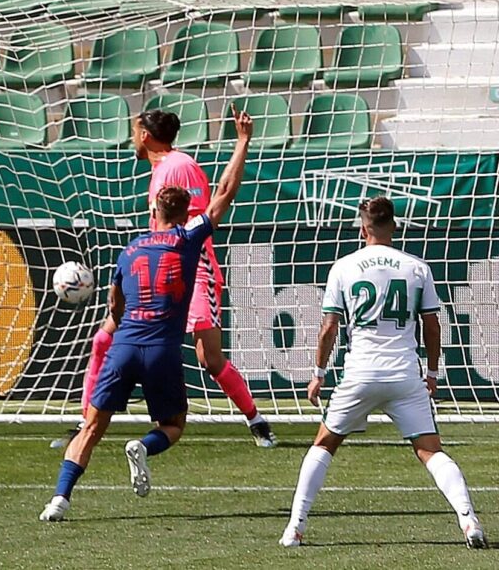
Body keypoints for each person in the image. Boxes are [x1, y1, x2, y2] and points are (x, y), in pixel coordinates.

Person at [39, 108, 252, 522]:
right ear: (183, 213)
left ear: (154, 209)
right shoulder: (188, 241)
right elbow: (225, 191)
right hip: (161, 350)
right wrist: (241, 141)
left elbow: (114, 306)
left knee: (92, 427)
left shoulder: (131, 250)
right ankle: (144, 446)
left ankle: (59, 500)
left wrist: (119, 326)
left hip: (124, 345)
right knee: (172, 424)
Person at [279, 196, 486, 549]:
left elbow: (329, 327)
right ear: (394, 225)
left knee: (324, 444)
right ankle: (469, 522)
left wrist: (318, 372)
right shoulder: (416, 267)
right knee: (431, 451)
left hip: (359, 373)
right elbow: (433, 325)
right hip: (404, 374)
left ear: (363, 229)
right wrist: (432, 373)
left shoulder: (343, 267)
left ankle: (294, 529)